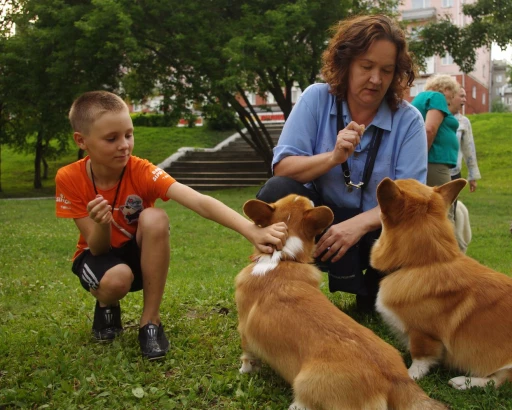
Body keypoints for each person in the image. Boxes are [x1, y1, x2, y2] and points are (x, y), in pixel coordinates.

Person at [55, 91, 287, 360]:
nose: (124, 145)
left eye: (128, 135)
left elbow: (199, 201)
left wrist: (251, 230)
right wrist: (101, 222)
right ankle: (107, 304)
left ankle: (150, 322)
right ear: (81, 141)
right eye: (111, 138)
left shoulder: (141, 170)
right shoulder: (69, 178)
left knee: (155, 217)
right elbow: (97, 248)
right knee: (116, 281)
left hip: (137, 256)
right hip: (97, 256)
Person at [255, 15, 427, 312]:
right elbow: (282, 167)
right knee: (277, 190)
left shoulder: (409, 120)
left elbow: (409, 198)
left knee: (418, 222)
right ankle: (285, 287)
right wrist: (333, 157)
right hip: (318, 224)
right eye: (366, 66)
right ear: (345, 63)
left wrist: (355, 226)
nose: (376, 79)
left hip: (378, 230)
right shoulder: (315, 99)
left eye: (387, 70)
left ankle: (374, 292)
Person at [411, 74, 460, 188]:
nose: (450, 100)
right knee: (442, 203)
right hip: (434, 161)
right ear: (446, 89)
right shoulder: (437, 97)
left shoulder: (423, 97)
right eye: (452, 95)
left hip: (432, 161)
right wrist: (420, 159)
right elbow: (429, 129)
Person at [450, 87, 480, 192]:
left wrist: (472, 176)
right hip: (436, 171)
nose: (465, 100)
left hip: (454, 174)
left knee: (452, 207)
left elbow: (469, 149)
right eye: (462, 96)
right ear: (451, 96)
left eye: (465, 96)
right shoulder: (437, 116)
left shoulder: (464, 122)